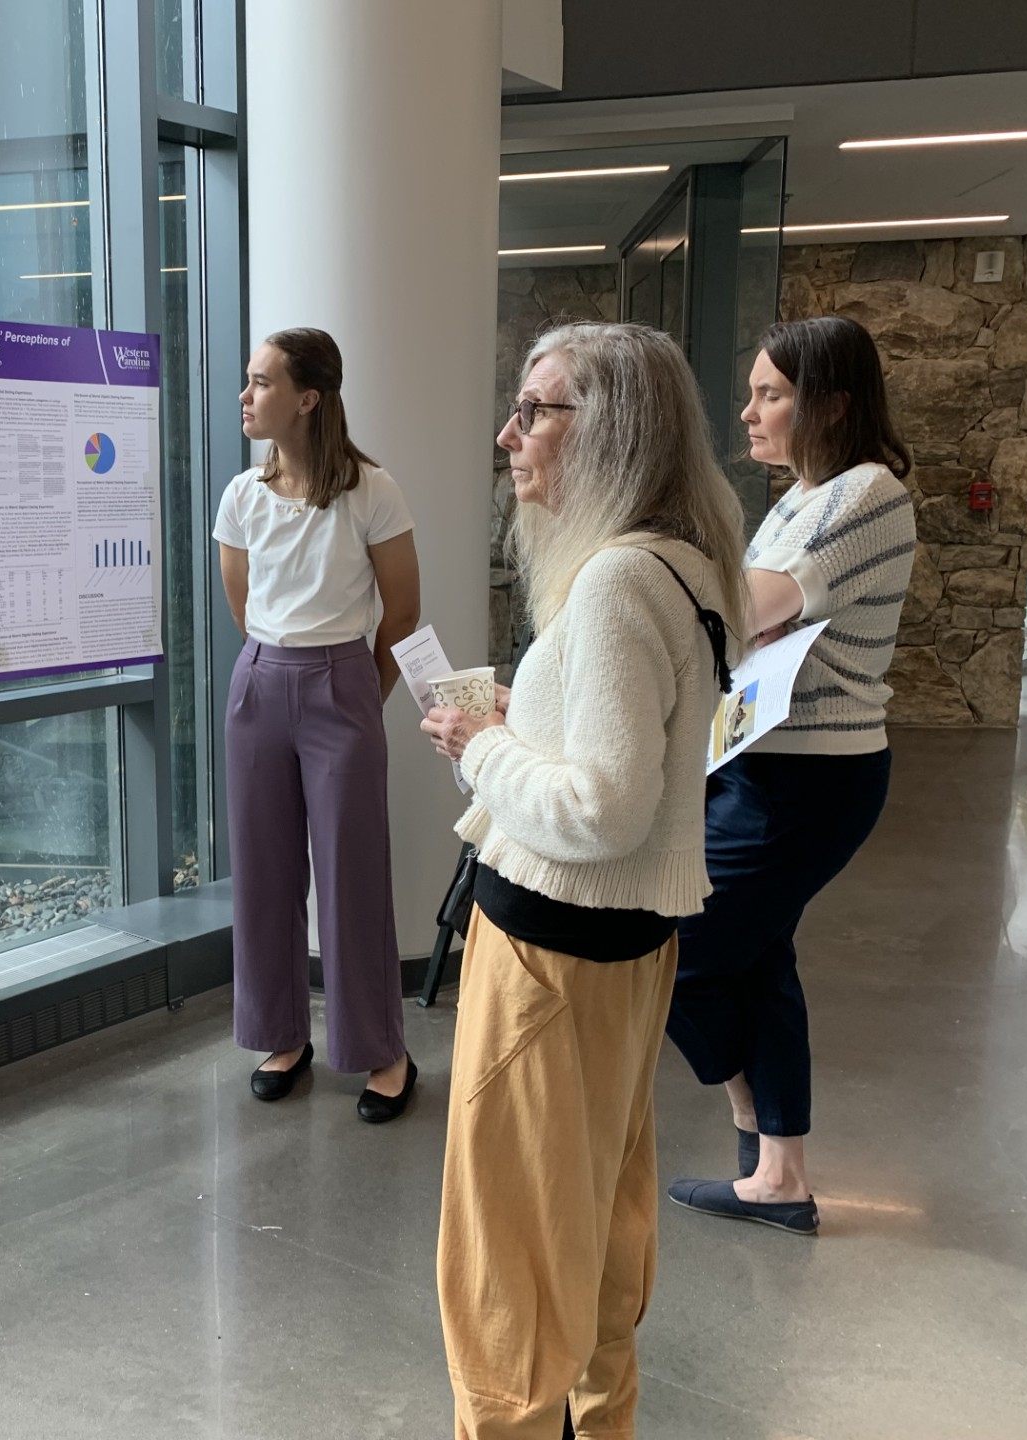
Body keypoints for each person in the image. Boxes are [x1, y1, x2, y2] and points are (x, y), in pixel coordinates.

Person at [421, 322, 747, 1439]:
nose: (508, 436)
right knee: (600, 1216)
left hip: (549, 954)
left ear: (610, 429)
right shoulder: (682, 560)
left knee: (509, 1258)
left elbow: (604, 811)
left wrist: (480, 748)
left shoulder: (613, 581)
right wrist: (525, 720)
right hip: (621, 949)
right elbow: (632, 758)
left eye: (536, 410)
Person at [663, 314, 916, 1236]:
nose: (750, 412)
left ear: (832, 404)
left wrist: (656, 573)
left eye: (771, 394)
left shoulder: (867, 491)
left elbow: (752, 606)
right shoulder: (799, 498)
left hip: (809, 781)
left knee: (673, 951)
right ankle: (779, 1173)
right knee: (760, 957)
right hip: (759, 764)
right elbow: (745, 620)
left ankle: (754, 1134)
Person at [213, 327, 422, 1122]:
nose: (245, 396)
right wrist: (281, 667)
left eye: (261, 383)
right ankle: (280, 1035)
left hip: (342, 684)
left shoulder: (373, 490)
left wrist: (358, 692)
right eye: (248, 380)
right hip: (260, 683)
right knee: (263, 871)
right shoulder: (242, 496)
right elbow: (243, 605)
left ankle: (382, 1050)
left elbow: (401, 612)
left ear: (308, 398)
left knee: (352, 874)